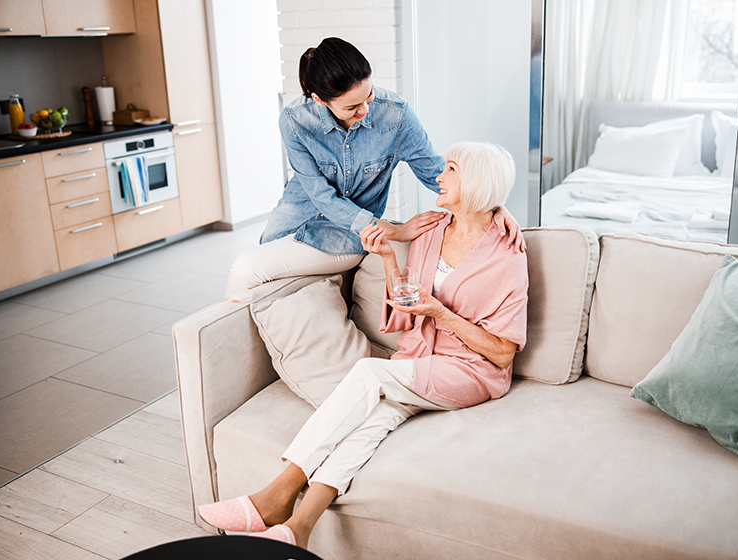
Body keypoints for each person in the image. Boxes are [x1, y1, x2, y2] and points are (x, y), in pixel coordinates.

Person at [200, 142, 529, 549]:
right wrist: (389, 257)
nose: (438, 177)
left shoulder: (508, 255)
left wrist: (441, 313)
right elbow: (408, 303)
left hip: (470, 371)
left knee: (369, 372)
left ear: (477, 182)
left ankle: (276, 493)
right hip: (421, 361)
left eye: (450, 169)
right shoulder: (433, 229)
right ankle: (298, 528)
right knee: (371, 422)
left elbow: (502, 352)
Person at [225, 37, 525, 295]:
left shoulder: (395, 116)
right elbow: (320, 196)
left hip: (342, 236)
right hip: (290, 222)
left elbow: (437, 173)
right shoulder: (294, 121)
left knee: (245, 270)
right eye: (352, 107)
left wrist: (493, 204)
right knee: (256, 276)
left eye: (369, 95)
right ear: (319, 100)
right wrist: (395, 232)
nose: (366, 110)